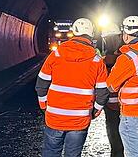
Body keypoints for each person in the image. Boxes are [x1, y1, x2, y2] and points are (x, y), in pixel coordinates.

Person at [35, 18, 109, 157]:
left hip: (55, 117)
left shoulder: (56, 54)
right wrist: (95, 111)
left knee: (51, 152)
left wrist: (44, 106)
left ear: (74, 33)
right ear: (91, 34)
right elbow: (103, 92)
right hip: (80, 119)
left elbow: (41, 84)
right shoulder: (96, 61)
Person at [103, 15, 138, 157]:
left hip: (134, 115)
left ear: (126, 34)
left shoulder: (128, 58)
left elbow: (110, 86)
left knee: (134, 154)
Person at [98, 31, 125, 157]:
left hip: (112, 104)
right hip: (123, 104)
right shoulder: (125, 57)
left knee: (114, 136)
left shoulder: (104, 60)